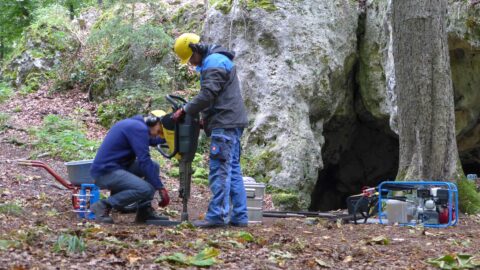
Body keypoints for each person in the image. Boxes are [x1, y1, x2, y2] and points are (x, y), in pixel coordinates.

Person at [172, 33, 249, 228]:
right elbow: (217, 97)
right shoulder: (219, 59)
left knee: (220, 170)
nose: (190, 64)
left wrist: (185, 109)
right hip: (230, 122)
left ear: (195, 50)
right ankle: (239, 216)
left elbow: (208, 94)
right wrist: (205, 121)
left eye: (189, 59)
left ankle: (217, 216)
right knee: (232, 169)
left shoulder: (213, 62)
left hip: (225, 123)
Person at [89, 111, 170, 224]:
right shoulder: (138, 128)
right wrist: (160, 188)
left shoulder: (137, 125)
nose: (159, 134)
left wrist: (172, 138)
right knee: (146, 189)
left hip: (118, 167)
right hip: (106, 172)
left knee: (154, 166)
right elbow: (144, 161)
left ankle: (144, 213)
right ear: (153, 122)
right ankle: (103, 205)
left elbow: (152, 140)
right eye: (160, 130)